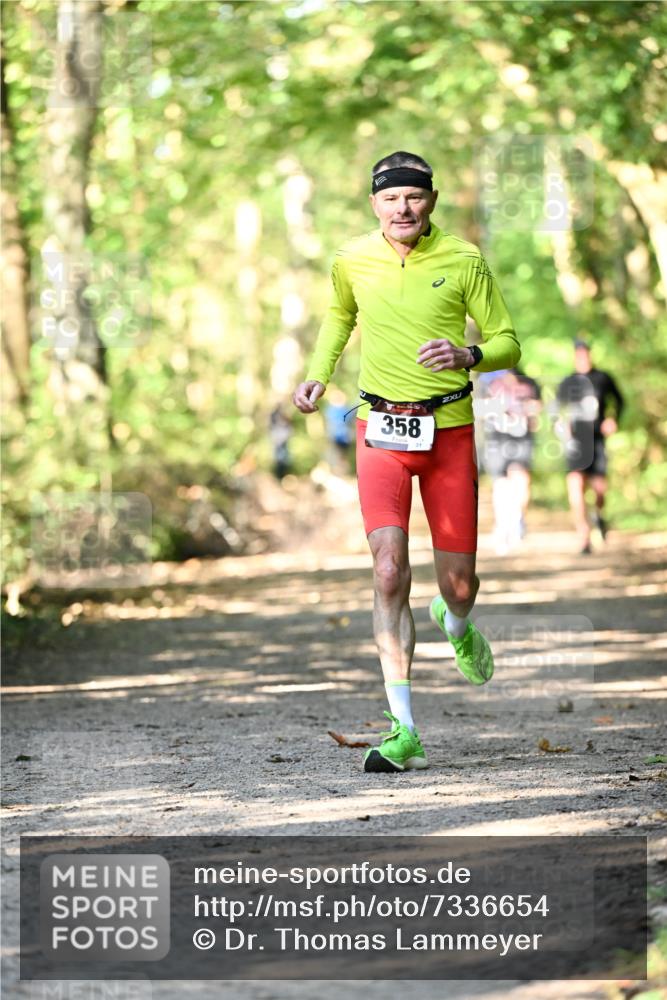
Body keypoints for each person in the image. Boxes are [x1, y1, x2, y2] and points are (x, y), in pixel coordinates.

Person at [292, 151, 520, 773]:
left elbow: (508, 339)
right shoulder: (350, 260)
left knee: (459, 585)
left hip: (447, 430)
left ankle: (455, 618)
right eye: (391, 198)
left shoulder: (464, 259)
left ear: (432, 201)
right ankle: (404, 730)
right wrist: (317, 376)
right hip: (379, 431)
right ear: (375, 204)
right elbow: (339, 315)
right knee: (389, 571)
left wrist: (469, 355)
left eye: (414, 197)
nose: (403, 207)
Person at [556, 340, 624, 554]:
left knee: (600, 490)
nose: (582, 357)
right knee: (575, 488)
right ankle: (584, 536)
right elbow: (556, 410)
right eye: (578, 354)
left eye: (585, 353)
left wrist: (613, 419)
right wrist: (562, 427)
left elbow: (620, 401)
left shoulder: (602, 378)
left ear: (590, 355)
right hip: (577, 443)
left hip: (597, 441)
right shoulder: (567, 382)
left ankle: (599, 515)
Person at [478, 368, 542, 553]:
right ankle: (503, 525)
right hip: (497, 438)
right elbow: (478, 408)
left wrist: (530, 411)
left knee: (522, 481)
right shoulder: (486, 379)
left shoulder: (528, 380)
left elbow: (538, 406)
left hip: (522, 437)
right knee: (501, 485)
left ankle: (518, 519)